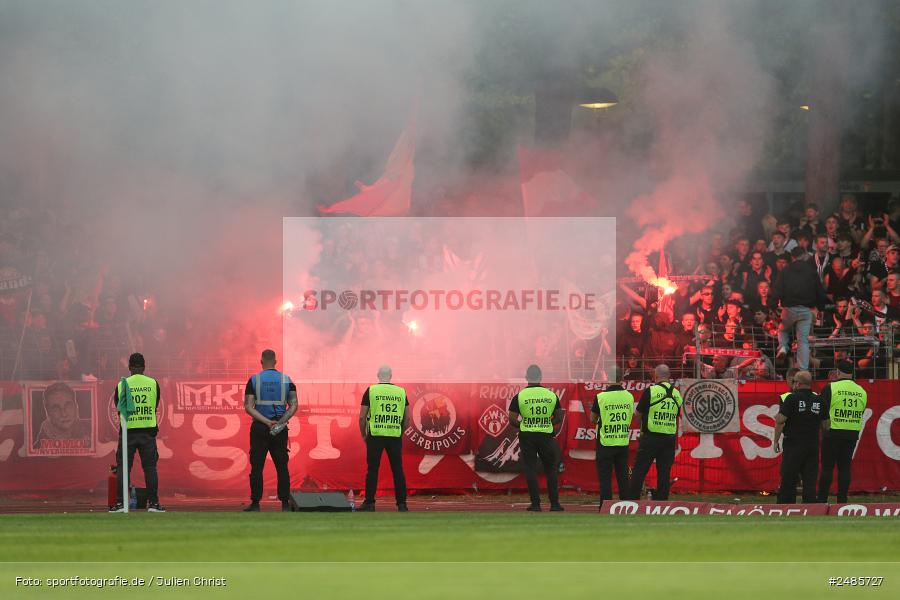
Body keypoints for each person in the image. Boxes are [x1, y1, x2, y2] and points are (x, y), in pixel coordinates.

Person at [243, 349, 298, 512]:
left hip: (260, 427)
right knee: (282, 467)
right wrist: (280, 423)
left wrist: (267, 422)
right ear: (275, 361)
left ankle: (255, 503)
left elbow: (248, 406)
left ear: (261, 361)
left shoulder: (254, 380)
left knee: (257, 467)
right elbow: (294, 405)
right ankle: (285, 503)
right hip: (280, 428)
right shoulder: (286, 380)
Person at [109, 353, 164, 513]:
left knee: (123, 468)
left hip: (128, 431)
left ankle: (121, 504)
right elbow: (155, 405)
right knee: (150, 468)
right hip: (147, 430)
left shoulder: (122, 385)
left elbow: (119, 408)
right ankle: (153, 504)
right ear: (144, 367)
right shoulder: (153, 383)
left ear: (129, 367)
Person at [508, 364, 564, 512]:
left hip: (527, 436)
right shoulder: (551, 395)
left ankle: (535, 504)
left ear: (526, 377)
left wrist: (524, 425)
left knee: (530, 468)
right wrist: (546, 423)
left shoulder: (519, 396)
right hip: (546, 435)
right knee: (551, 468)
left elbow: (512, 419)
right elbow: (559, 417)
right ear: (541, 377)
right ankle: (555, 504)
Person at [627, 364, 683, 500]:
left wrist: (643, 427)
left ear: (655, 375)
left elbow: (638, 414)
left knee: (640, 470)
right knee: (664, 472)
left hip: (651, 437)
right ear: (669, 376)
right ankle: (662, 501)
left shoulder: (651, 391)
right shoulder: (677, 393)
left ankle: (633, 499)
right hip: (669, 439)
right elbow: (675, 415)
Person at [358, 365, 409, 512]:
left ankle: (369, 503)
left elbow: (362, 417)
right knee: (398, 470)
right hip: (394, 435)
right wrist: (400, 433)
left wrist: (363, 434)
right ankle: (402, 504)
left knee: (372, 470)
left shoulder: (371, 390)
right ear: (391, 376)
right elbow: (407, 418)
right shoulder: (401, 392)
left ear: (378, 375)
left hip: (375, 435)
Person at [817, 360, 867, 504]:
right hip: (851, 433)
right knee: (845, 468)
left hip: (832, 432)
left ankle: (822, 500)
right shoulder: (861, 391)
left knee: (827, 468)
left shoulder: (830, 387)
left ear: (837, 372)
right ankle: (842, 500)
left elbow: (821, 411)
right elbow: (862, 410)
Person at [771, 247, 827, 369]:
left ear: (792, 257)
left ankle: (783, 347)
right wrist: (821, 308)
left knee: (783, 330)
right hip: (806, 310)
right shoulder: (811, 271)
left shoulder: (785, 270)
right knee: (803, 341)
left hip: (789, 309)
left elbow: (777, 290)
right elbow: (820, 291)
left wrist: (773, 306)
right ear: (805, 255)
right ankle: (803, 369)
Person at [773, 370, 824, 503]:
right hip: (812, 445)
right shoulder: (819, 399)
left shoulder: (791, 398)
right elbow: (826, 425)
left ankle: (786, 505)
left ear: (798, 383)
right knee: (810, 478)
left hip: (793, 444)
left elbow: (780, 421)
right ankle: (810, 505)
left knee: (789, 477)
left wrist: (775, 441)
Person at [590, 367, 634, 506]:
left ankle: (606, 506)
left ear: (607, 378)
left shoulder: (601, 397)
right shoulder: (629, 396)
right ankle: (626, 506)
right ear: (622, 378)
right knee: (623, 477)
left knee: (605, 478)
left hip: (605, 442)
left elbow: (592, 418)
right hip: (622, 441)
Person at [33, 382, 92, 449]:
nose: (64, 414)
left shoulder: (92, 427)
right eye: (56, 409)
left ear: (76, 406)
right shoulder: (38, 448)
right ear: (48, 412)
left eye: (68, 406)